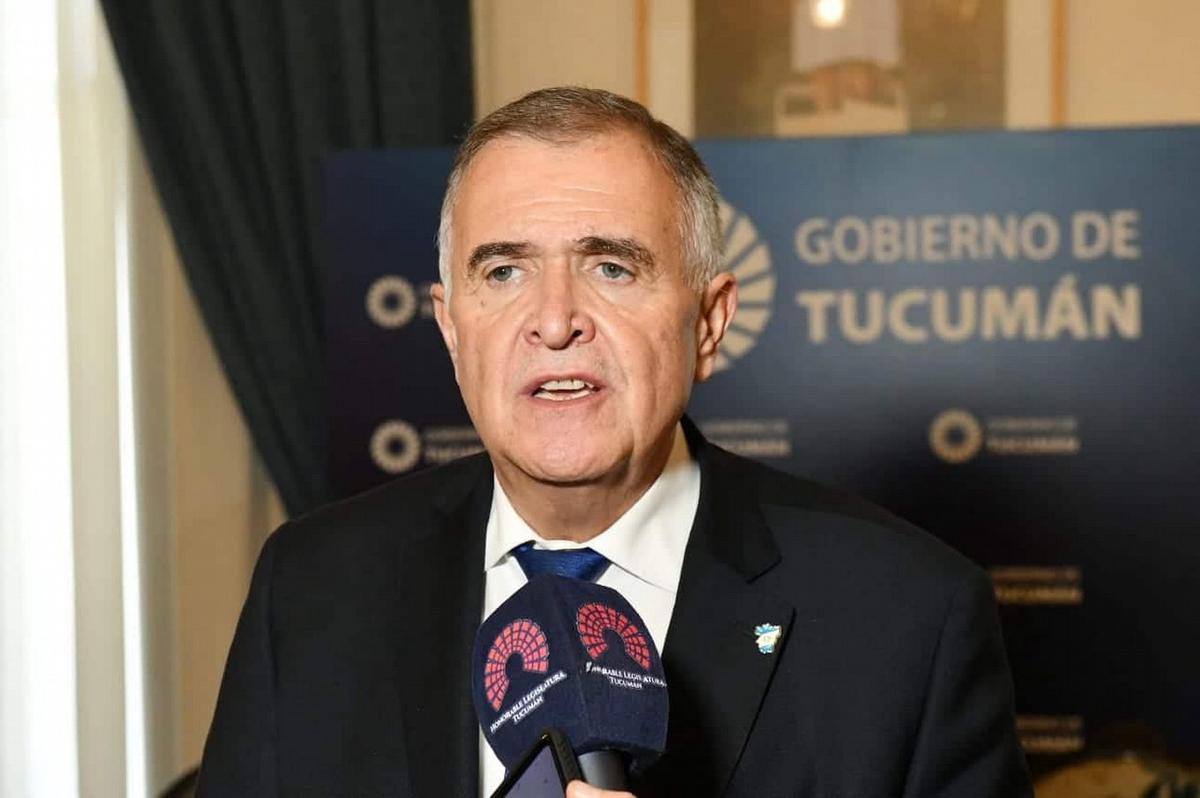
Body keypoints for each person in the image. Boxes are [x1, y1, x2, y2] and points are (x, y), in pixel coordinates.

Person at [197, 87, 1032, 797]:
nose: (555, 321)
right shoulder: (311, 587)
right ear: (451, 330)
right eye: (504, 271)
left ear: (709, 323)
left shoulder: (908, 617)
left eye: (612, 268)